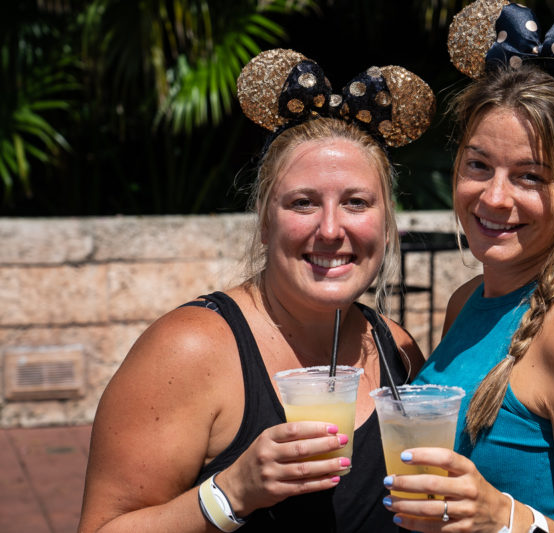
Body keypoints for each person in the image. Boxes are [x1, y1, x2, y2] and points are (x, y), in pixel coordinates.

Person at [78, 48, 435, 533]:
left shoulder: (397, 349)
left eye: (356, 202)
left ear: (387, 225)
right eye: (303, 203)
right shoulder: (190, 350)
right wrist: (229, 494)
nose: (331, 229)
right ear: (265, 223)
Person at [381, 3, 554, 532]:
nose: (494, 198)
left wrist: (504, 519)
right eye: (478, 165)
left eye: (529, 176)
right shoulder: (466, 300)